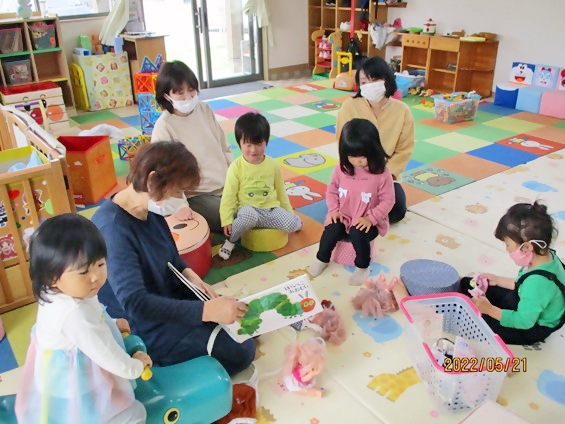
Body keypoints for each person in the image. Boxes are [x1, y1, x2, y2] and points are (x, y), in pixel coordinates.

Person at [91, 141, 255, 375]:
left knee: (241, 319)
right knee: (242, 350)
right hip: (142, 324)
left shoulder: (148, 208)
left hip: (165, 296)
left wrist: (192, 278)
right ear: (152, 181)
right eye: (177, 192)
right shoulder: (114, 231)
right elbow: (135, 303)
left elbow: (170, 257)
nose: (180, 198)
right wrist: (207, 312)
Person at [15, 214, 151, 424]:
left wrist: (112, 324)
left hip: (66, 362)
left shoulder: (65, 289)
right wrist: (135, 367)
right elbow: (106, 354)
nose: (95, 276)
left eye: (100, 264)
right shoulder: (73, 313)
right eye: (84, 271)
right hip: (75, 381)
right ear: (53, 277)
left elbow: (89, 322)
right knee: (134, 414)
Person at [459, 202, 565, 345]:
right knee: (469, 284)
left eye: (508, 244)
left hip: (530, 328)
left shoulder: (538, 283)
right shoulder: (545, 258)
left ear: (526, 247)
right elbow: (523, 284)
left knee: (475, 319)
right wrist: (497, 280)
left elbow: (523, 321)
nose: (507, 249)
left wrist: (489, 309)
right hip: (528, 305)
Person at [308, 119, 395, 286]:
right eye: (352, 156)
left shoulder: (382, 174)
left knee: (358, 233)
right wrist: (334, 210)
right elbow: (332, 190)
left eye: (362, 156)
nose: (357, 161)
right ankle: (322, 259)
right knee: (331, 230)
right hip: (344, 216)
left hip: (369, 221)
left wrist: (371, 218)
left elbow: (388, 200)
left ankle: (362, 266)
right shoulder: (341, 168)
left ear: (373, 149)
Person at [152, 60, 233, 233]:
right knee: (233, 218)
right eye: (179, 93)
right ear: (166, 95)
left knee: (261, 200)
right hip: (197, 195)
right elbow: (164, 174)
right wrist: (180, 205)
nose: (187, 97)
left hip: (226, 185)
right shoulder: (164, 126)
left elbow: (224, 147)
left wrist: (236, 177)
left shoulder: (204, 109)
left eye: (191, 90)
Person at [336, 56, 414, 224]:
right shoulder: (350, 106)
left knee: (398, 210)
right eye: (364, 82)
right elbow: (343, 144)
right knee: (344, 209)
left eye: (375, 79)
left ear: (386, 79)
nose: (369, 85)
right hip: (354, 173)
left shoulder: (402, 111)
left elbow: (404, 149)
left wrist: (386, 175)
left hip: (385, 175)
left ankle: (368, 215)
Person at [218, 112, 302, 260]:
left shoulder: (273, 165)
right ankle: (230, 242)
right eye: (248, 144)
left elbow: (281, 192)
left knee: (293, 224)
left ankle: (293, 220)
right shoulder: (236, 167)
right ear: (240, 143)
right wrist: (227, 219)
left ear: (266, 143)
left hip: (270, 210)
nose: (253, 150)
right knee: (249, 216)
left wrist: (289, 213)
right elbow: (228, 196)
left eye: (258, 144)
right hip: (247, 210)